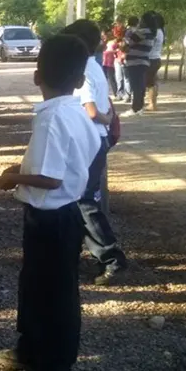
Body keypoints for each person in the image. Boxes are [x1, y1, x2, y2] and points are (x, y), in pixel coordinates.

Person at [0, 34, 100, 371]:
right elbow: (75, 159)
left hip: (52, 219)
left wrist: (13, 178)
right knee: (36, 289)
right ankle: (32, 350)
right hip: (59, 215)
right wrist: (22, 171)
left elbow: (51, 178)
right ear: (80, 79)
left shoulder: (52, 118)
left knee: (54, 298)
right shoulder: (75, 111)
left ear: (37, 76)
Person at [61, 20, 128, 285]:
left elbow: (90, 110)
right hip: (95, 138)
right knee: (80, 198)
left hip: (88, 140)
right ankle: (75, 252)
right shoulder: (94, 66)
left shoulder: (84, 69)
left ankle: (111, 257)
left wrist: (106, 118)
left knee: (83, 200)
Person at [119, 13, 156, 117]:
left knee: (136, 86)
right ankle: (139, 107)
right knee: (140, 85)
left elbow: (125, 45)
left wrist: (124, 44)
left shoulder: (141, 32)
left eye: (141, 20)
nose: (140, 22)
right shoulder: (151, 33)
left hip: (135, 61)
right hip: (144, 60)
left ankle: (135, 108)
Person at [146, 12, 166, 112]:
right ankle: (152, 103)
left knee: (150, 83)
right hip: (156, 58)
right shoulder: (161, 31)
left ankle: (152, 104)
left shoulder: (156, 32)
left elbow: (149, 44)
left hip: (151, 59)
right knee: (152, 81)